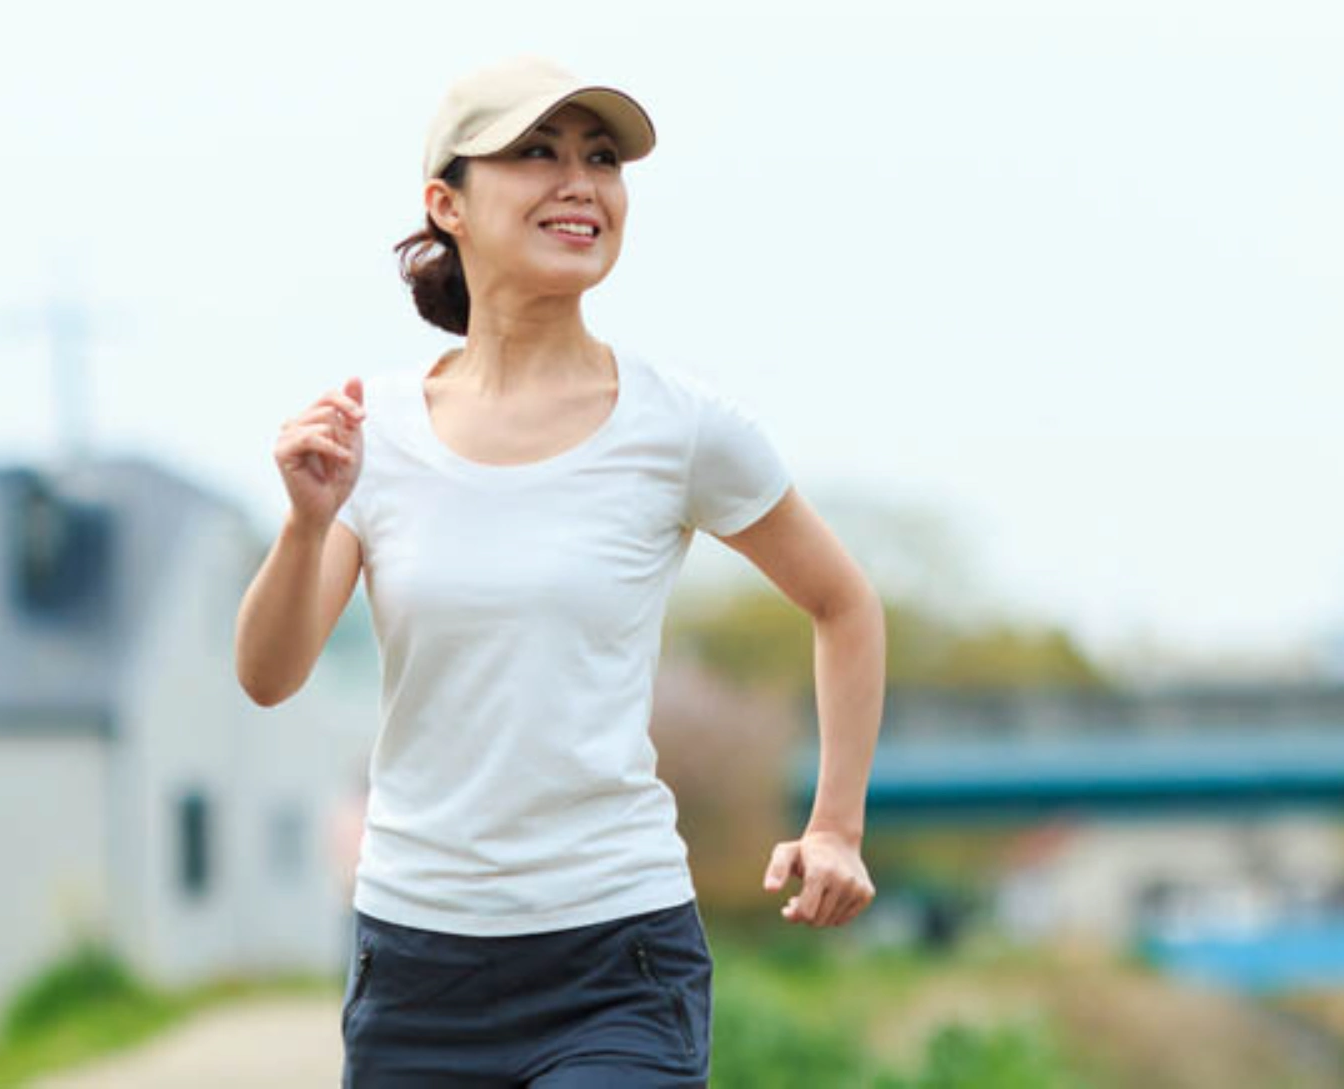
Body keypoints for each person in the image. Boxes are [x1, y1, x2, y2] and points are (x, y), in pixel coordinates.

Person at [233, 54, 886, 1087]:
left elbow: (841, 601)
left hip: (615, 955)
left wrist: (835, 827)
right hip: (416, 966)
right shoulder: (373, 432)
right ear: (444, 202)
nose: (579, 181)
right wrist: (307, 524)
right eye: (535, 152)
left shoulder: (680, 426)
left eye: (600, 158)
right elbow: (268, 674)